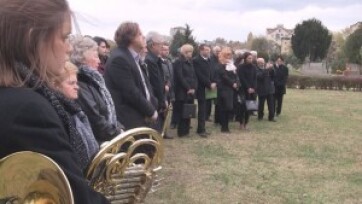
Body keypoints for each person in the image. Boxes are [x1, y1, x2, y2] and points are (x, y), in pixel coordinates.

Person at [0, 0, 109, 203]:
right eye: (64, 37)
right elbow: (76, 197)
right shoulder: (27, 110)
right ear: (33, 38)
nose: (69, 48)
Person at [69, 35, 123, 144]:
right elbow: (95, 120)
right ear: (82, 58)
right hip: (98, 144)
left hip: (106, 140)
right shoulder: (79, 83)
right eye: (95, 56)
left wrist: (119, 127)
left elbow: (108, 111)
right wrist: (119, 132)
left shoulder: (93, 80)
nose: (99, 61)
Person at [105, 22, 158, 130]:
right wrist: (151, 111)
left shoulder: (133, 57)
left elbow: (144, 86)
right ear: (130, 37)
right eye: (139, 34)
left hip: (142, 115)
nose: (144, 37)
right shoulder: (119, 59)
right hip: (131, 120)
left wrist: (153, 104)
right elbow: (131, 92)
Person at [54, 61, 99, 158]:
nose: (77, 87)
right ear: (56, 86)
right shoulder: (61, 113)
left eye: (76, 83)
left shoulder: (74, 109)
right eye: (71, 83)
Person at [145, 32, 171, 138]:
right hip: (154, 101)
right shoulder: (150, 61)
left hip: (159, 99)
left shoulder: (156, 59)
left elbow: (161, 80)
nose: (162, 46)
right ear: (152, 45)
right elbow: (155, 83)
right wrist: (161, 100)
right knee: (155, 133)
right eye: (160, 44)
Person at [173, 44, 198, 137]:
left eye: (191, 51)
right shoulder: (178, 62)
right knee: (182, 111)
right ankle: (182, 132)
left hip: (191, 91)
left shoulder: (190, 62)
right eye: (189, 52)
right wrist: (188, 88)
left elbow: (194, 76)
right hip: (182, 91)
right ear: (185, 52)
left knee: (189, 111)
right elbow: (180, 77)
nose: (191, 53)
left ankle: (186, 131)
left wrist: (194, 88)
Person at [193, 44, 216, 137]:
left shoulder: (210, 60)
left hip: (210, 88)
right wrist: (208, 83)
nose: (208, 52)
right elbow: (199, 74)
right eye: (206, 50)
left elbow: (213, 72)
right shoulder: (196, 60)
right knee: (202, 110)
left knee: (206, 108)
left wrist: (214, 82)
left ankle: (203, 128)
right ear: (201, 50)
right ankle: (201, 130)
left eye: (209, 50)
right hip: (202, 88)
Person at [216, 47, 240, 133]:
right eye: (228, 54)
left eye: (230, 54)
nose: (229, 56)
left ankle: (225, 126)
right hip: (224, 89)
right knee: (225, 108)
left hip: (231, 89)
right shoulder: (221, 65)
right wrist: (232, 83)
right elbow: (224, 76)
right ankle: (224, 127)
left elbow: (236, 75)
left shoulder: (231, 64)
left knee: (229, 108)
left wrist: (237, 83)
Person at [237, 52, 257, 130]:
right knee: (242, 107)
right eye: (249, 58)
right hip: (243, 90)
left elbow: (255, 79)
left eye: (251, 58)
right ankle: (241, 123)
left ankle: (246, 123)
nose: (250, 59)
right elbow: (242, 78)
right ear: (245, 58)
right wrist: (248, 87)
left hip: (252, 91)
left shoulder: (254, 67)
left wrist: (253, 88)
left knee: (249, 107)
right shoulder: (241, 67)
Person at [207, 46, 221, 124]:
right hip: (211, 82)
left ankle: (217, 118)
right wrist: (211, 82)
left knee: (217, 102)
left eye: (219, 51)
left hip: (218, 83)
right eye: (216, 51)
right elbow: (210, 71)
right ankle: (207, 115)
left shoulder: (220, 60)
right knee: (208, 101)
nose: (218, 53)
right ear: (213, 51)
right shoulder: (210, 60)